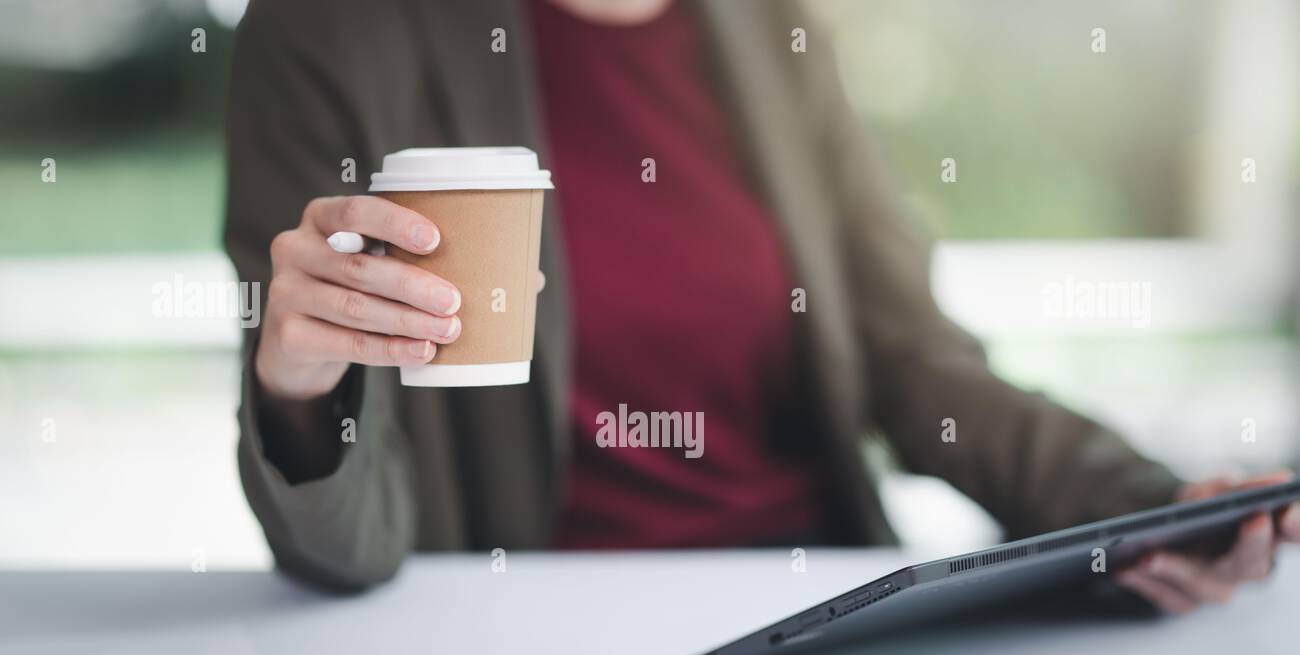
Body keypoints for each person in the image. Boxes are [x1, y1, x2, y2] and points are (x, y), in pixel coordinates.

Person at [224, 0, 1298, 606]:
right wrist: (303, 389)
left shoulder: (772, 33)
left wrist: (1149, 506)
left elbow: (918, 366)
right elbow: (342, 550)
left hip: (808, 611)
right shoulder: (329, 32)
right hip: (521, 633)